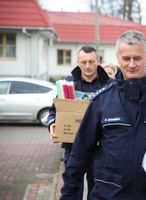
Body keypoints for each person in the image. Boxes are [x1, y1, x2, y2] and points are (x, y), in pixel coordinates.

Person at [60, 30, 146, 200]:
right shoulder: (101, 100)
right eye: (126, 58)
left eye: (137, 58)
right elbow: (80, 153)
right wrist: (68, 195)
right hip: (109, 193)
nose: (132, 64)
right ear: (118, 58)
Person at [47, 45, 110, 199]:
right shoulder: (67, 85)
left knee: (98, 190)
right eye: (83, 62)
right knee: (72, 188)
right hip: (73, 147)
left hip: (100, 149)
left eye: (91, 61)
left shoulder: (109, 85)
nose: (87, 66)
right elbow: (54, 111)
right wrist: (52, 125)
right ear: (77, 62)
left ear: (98, 61)